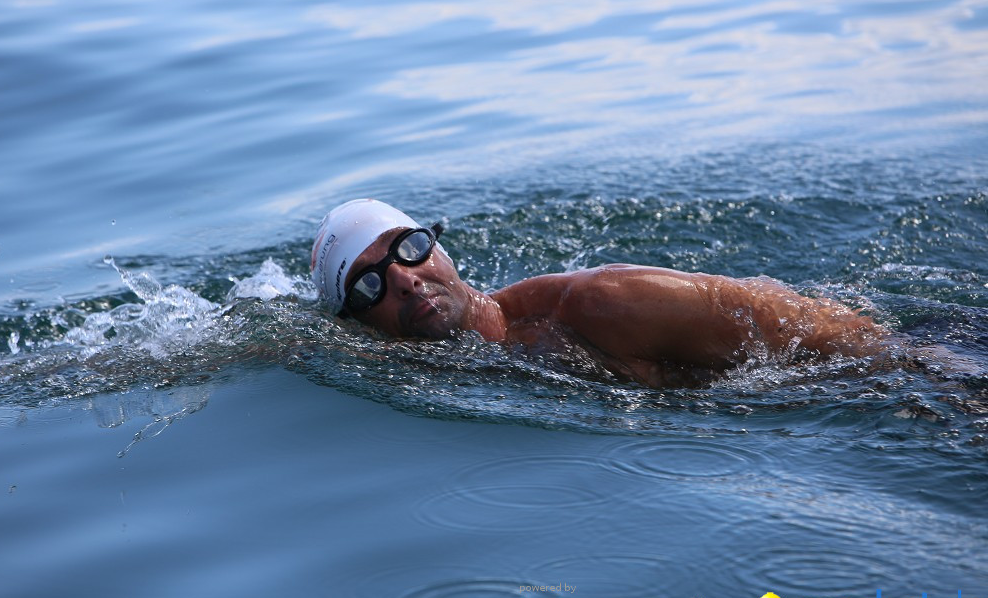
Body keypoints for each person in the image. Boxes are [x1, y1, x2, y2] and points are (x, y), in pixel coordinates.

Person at [311, 199, 888, 388]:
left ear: (439, 248)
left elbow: (831, 333)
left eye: (407, 248)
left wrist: (940, 374)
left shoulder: (601, 301)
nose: (404, 278)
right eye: (368, 284)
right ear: (359, 322)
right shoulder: (467, 366)